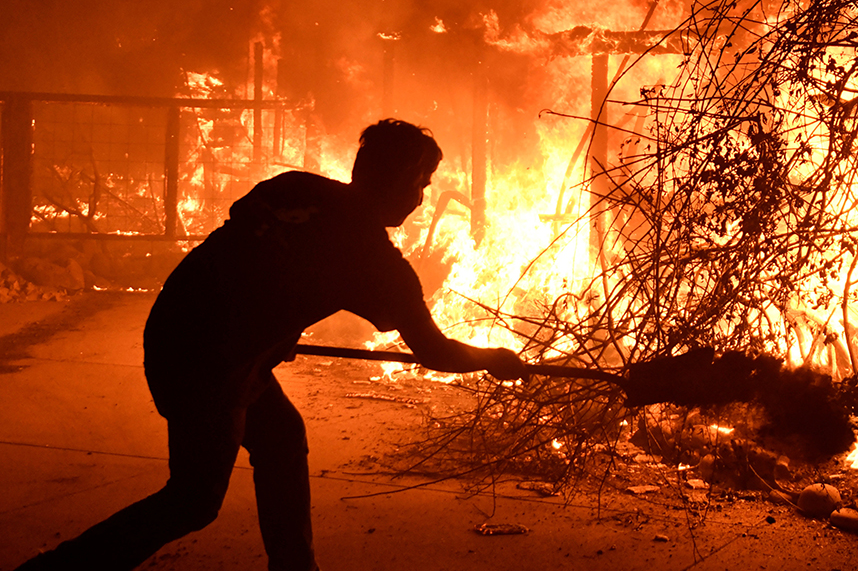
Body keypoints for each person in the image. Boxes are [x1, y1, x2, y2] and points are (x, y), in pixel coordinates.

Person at [16, 119, 526, 571]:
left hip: (176, 323)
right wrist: (494, 360)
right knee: (192, 501)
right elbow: (433, 351)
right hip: (211, 364)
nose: (420, 197)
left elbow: (252, 250)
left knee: (280, 436)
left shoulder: (295, 187)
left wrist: (274, 327)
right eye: (421, 182)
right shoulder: (376, 263)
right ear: (395, 178)